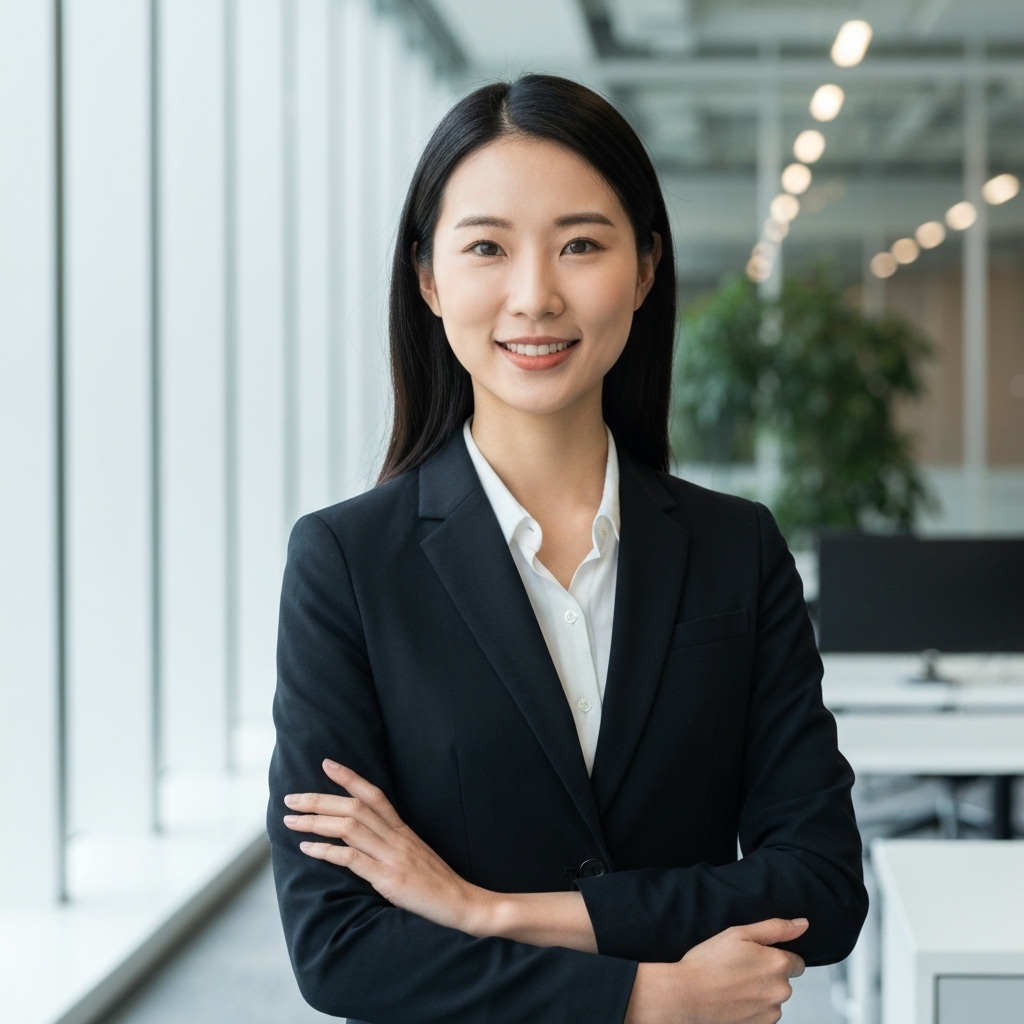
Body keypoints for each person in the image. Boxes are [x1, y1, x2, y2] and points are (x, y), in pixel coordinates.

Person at [268, 74, 867, 1024]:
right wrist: (645, 998)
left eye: (582, 244)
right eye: (487, 249)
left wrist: (489, 911)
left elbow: (824, 888)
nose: (535, 295)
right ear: (428, 279)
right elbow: (339, 947)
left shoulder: (734, 550)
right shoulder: (346, 564)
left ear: (644, 269)